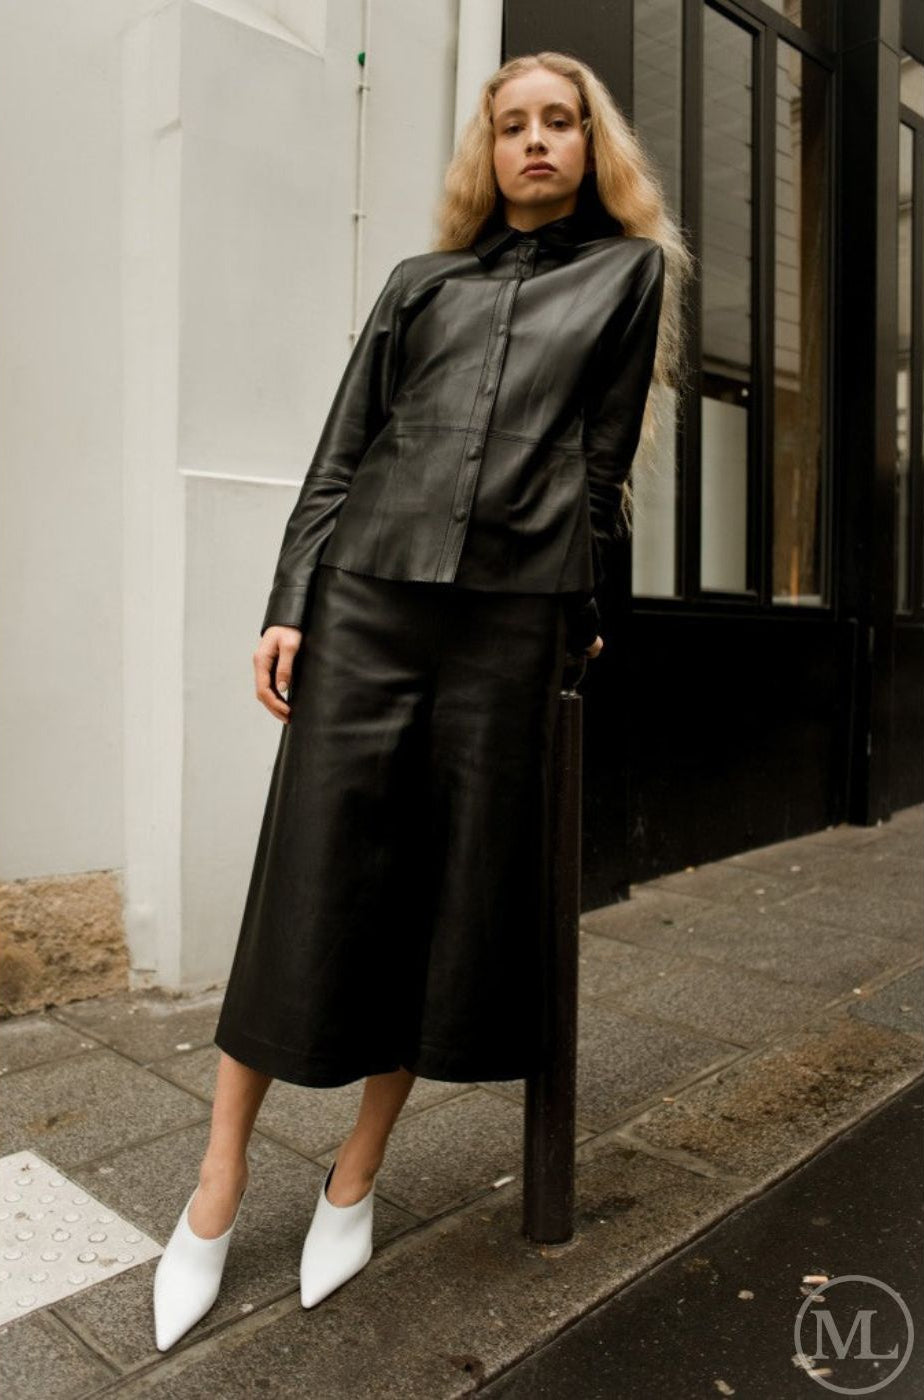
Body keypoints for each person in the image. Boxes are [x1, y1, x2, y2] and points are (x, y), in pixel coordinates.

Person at [152, 49, 690, 1352]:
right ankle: (217, 1180)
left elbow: (604, 464)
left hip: (508, 626)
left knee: (439, 902)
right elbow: (345, 447)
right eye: (515, 125)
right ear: (488, 150)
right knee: (309, 880)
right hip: (371, 607)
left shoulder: (627, 277)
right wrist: (293, 599)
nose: (540, 142)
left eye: (562, 122)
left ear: (590, 143)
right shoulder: (420, 283)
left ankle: (357, 1170)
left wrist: (585, 620)